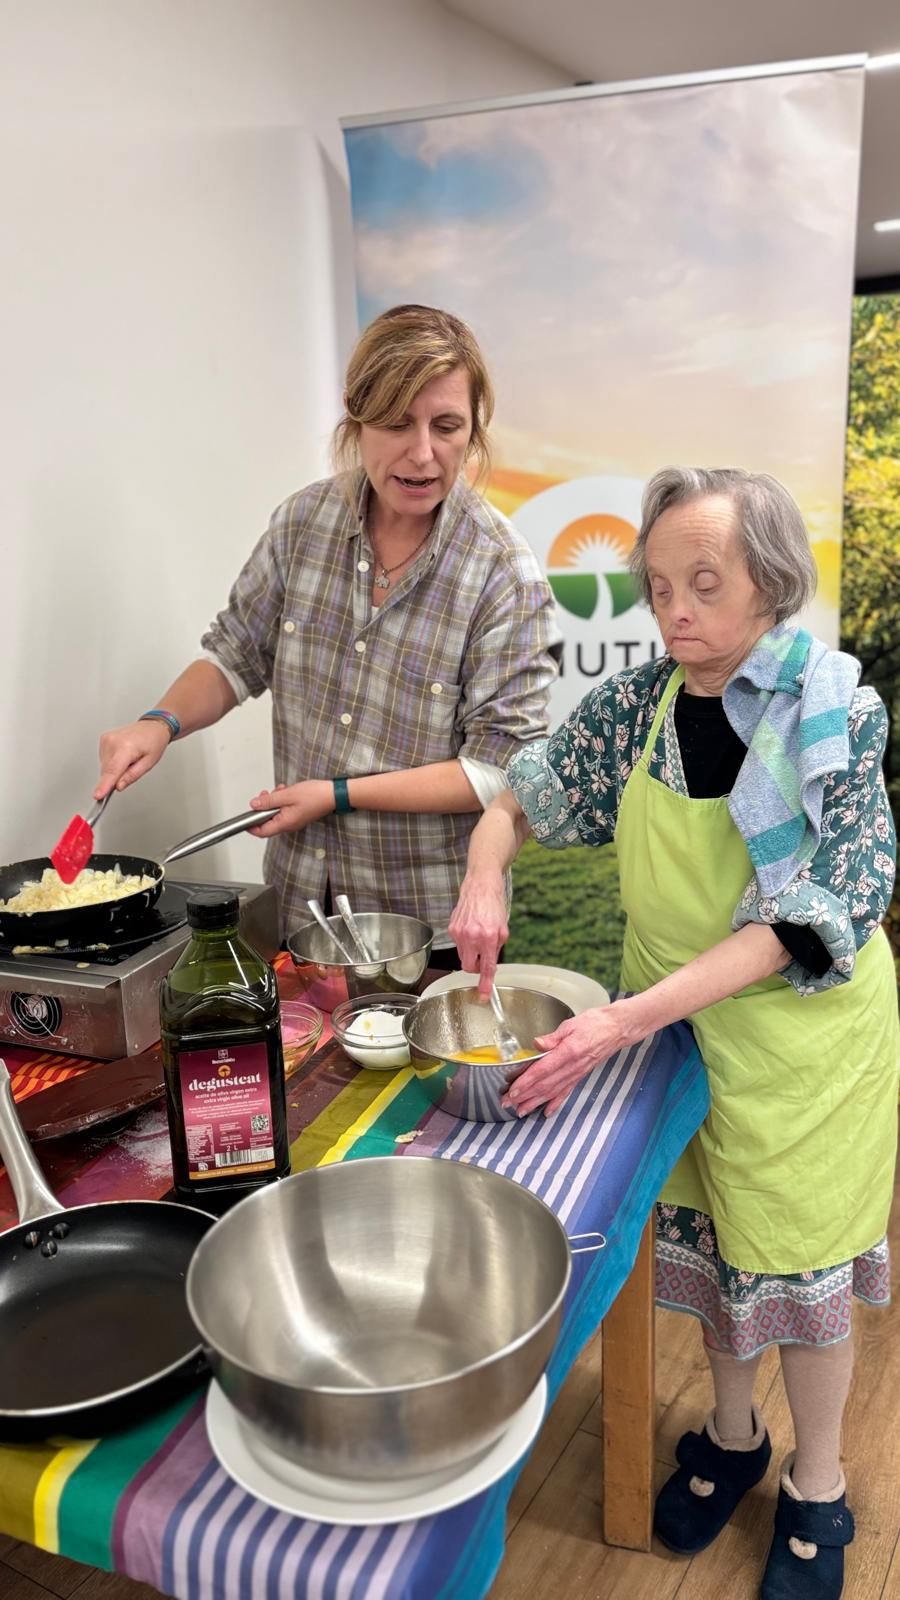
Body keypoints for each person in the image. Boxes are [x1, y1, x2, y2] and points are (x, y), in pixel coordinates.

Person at [449, 466, 898, 1600]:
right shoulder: (642, 707)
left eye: (705, 582)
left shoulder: (835, 714)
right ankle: (735, 1437)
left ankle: (818, 1483)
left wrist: (622, 1019)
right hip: (678, 1039)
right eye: (657, 586)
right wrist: (483, 872)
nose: (676, 610)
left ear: (772, 583)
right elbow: (519, 792)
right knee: (709, 1252)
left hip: (803, 1048)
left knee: (795, 1265)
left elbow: (806, 917)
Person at [94, 305, 559, 959]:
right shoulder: (302, 524)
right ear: (357, 418)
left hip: (427, 931)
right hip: (298, 906)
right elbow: (234, 655)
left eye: (446, 426)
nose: (423, 453)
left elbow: (493, 770)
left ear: (472, 431)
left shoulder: (502, 575)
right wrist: (159, 723)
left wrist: (336, 796)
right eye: (397, 423)